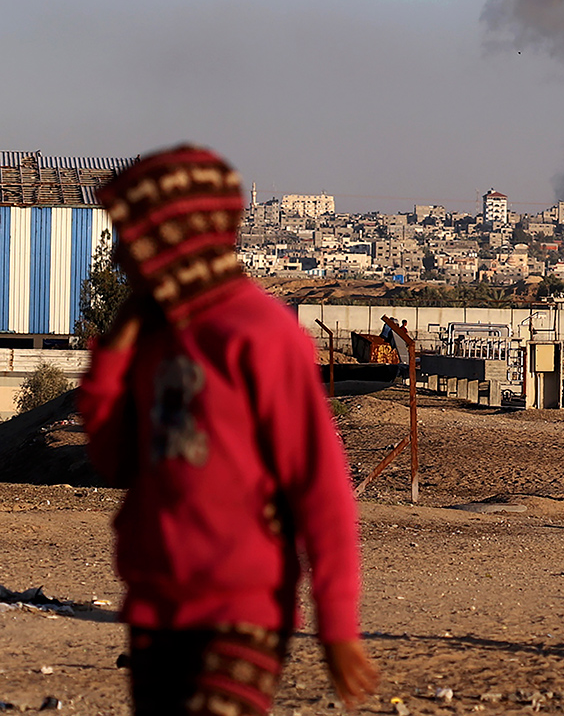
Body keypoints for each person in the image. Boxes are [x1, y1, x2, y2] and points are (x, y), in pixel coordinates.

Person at [77, 146, 378, 716]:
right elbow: (114, 460)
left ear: (174, 239)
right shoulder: (156, 337)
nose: (118, 254)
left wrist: (336, 622)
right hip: (155, 605)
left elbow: (320, 486)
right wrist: (114, 356)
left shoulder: (260, 335)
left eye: (129, 236)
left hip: (243, 609)